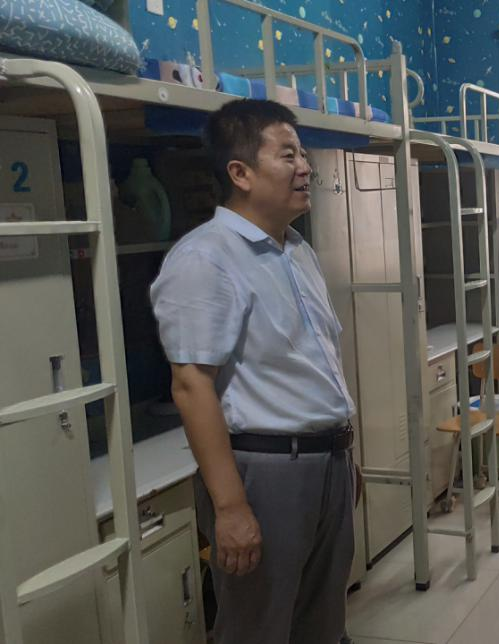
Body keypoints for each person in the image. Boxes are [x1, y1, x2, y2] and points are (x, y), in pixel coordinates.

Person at [151, 99, 360, 644]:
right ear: (240, 173)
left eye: (303, 154)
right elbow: (191, 385)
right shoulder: (205, 259)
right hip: (265, 473)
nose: (305, 167)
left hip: (325, 462)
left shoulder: (296, 250)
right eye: (288, 155)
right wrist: (230, 506)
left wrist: (340, 457)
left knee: (323, 624)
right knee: (258, 629)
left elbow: (313, 365)